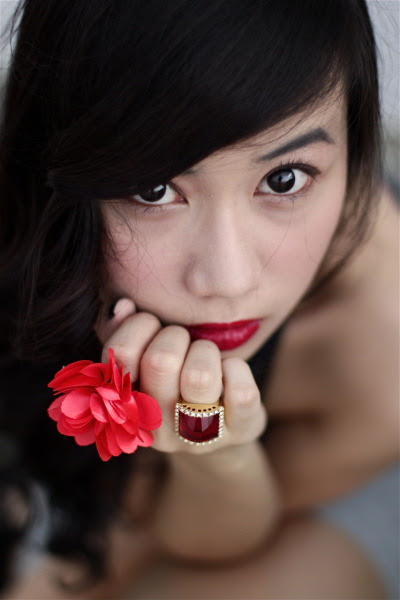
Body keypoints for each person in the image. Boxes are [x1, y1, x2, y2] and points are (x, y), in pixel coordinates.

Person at [0, 0, 398, 598]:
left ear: (356, 153)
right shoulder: (36, 227)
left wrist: (214, 451)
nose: (228, 280)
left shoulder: (382, 349)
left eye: (284, 179)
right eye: (153, 189)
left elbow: (194, 540)